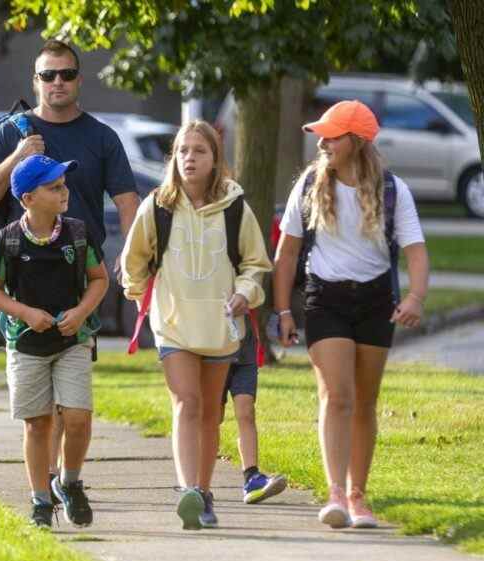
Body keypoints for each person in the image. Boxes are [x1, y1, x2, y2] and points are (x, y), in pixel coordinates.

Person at [0, 38, 140, 493]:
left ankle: (57, 480)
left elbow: (127, 200)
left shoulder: (102, 137)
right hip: (22, 280)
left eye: (66, 74)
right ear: (35, 81)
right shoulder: (12, 131)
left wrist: (131, 253)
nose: (57, 82)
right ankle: (48, 480)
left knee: (70, 397)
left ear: (79, 80)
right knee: (38, 401)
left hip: (80, 277)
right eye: (48, 75)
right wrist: (18, 157)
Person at [273, 100, 429, 529]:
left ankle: (359, 495)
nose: (322, 142)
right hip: (325, 300)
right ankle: (336, 492)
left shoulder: (393, 190)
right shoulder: (308, 185)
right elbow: (286, 254)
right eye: (321, 134)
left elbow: (415, 250)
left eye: (332, 135)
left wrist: (415, 297)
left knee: (365, 401)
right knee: (337, 395)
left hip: (376, 301)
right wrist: (283, 310)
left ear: (357, 142)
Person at [121, 121, 272, 530]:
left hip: (220, 326)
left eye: (199, 151)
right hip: (173, 326)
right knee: (186, 403)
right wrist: (139, 295)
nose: (189, 158)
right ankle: (188, 488)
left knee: (209, 413)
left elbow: (257, 264)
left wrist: (245, 292)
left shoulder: (236, 207)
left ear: (215, 159)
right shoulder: (156, 206)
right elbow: (132, 261)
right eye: (182, 150)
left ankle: (204, 495)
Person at [0, 154, 109, 530]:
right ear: (28, 199)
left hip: (72, 340)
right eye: (53, 187)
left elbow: (99, 279)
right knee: (38, 424)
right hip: (25, 344)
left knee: (78, 417)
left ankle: (69, 482)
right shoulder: (8, 240)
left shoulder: (77, 233)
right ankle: (40, 500)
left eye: (63, 185)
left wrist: (82, 312)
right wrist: (24, 313)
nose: (63, 192)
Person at [220, 328, 288, 505]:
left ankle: (252, 478)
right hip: (212, 347)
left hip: (244, 347)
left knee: (246, 412)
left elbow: (256, 299)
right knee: (212, 418)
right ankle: (197, 485)